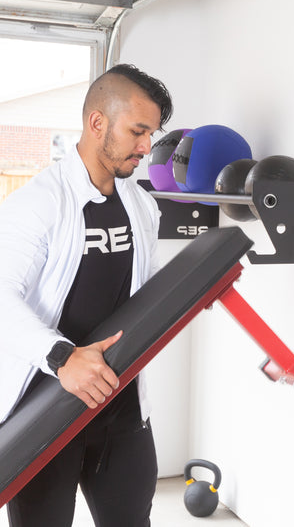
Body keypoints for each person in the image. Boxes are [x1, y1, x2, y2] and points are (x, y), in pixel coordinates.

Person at [0, 63, 173, 527]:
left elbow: (147, 292)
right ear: (97, 122)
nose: (146, 147)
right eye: (138, 131)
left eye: (151, 134)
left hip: (120, 411)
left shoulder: (141, 206)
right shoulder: (38, 204)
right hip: (45, 411)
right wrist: (61, 357)